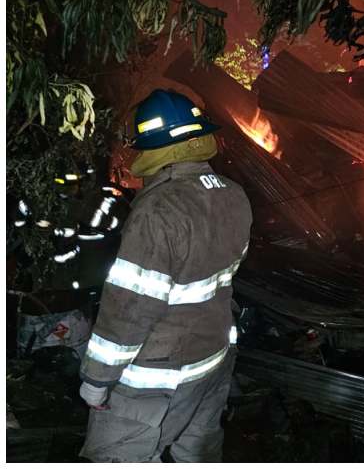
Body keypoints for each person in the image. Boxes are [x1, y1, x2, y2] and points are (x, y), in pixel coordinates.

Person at [78, 89, 252, 462]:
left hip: (155, 378)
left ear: (152, 150)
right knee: (197, 456)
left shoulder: (158, 211)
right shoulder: (234, 196)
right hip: (213, 363)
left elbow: (129, 308)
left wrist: (97, 379)